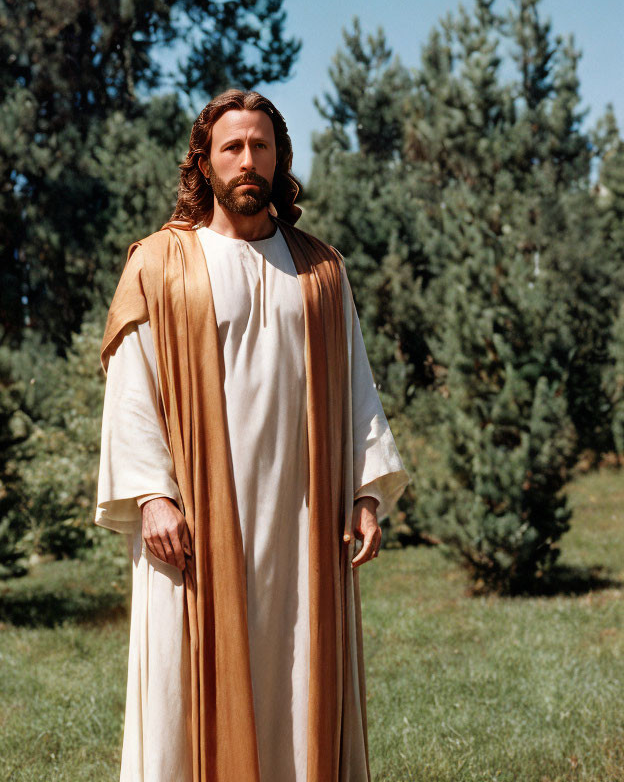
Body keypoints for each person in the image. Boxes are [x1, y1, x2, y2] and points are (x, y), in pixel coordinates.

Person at [96, 89, 408, 782]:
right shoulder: (159, 263)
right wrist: (152, 496)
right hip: (197, 526)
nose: (247, 160)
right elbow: (130, 388)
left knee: (301, 680)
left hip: (304, 528)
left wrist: (365, 493)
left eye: (260, 146)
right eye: (232, 147)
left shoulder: (322, 271)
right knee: (188, 684)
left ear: (279, 158)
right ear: (203, 162)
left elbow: (356, 382)